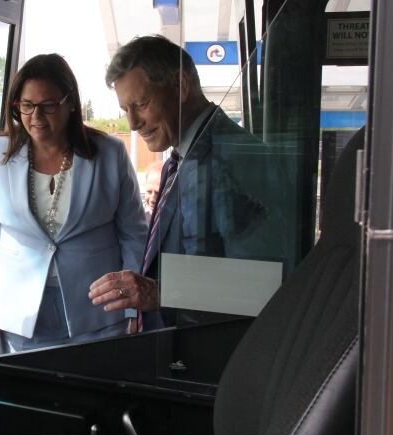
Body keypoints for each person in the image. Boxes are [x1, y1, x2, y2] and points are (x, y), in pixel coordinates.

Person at [89, 35, 288, 328]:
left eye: (141, 104)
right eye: (125, 110)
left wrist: (159, 293)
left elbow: (263, 284)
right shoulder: (185, 155)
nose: (132, 123)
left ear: (181, 86)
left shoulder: (236, 159)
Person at [0, 53, 147, 354]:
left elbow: (134, 234)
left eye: (48, 106)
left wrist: (131, 307)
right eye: (26, 106)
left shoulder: (110, 154)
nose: (36, 116)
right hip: (20, 317)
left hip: (98, 312)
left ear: (70, 104)